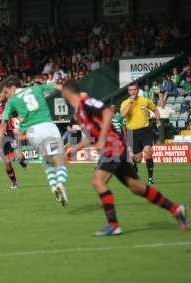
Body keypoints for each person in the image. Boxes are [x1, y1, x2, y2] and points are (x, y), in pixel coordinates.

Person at [62, 80, 187, 236]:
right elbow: (88, 137)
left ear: (67, 93)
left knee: (98, 181)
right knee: (138, 188)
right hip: (111, 147)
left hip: (113, 145)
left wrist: (101, 139)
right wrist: (74, 148)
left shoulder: (85, 102)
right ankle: (176, 209)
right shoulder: (78, 113)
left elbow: (107, 112)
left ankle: (113, 225)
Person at [0, 76, 69, 206]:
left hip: (32, 133)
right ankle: (60, 183)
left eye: (6, 92)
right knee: (60, 159)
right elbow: (58, 87)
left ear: (12, 87)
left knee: (47, 160)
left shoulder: (12, 101)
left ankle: (53, 186)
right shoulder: (36, 88)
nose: (6, 95)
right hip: (48, 126)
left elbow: (2, 125)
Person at [120, 83, 161, 184]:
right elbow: (123, 114)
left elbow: (155, 110)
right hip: (131, 132)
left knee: (148, 152)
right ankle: (135, 170)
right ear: (128, 92)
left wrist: (158, 120)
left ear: (138, 90)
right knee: (136, 159)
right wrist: (130, 103)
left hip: (145, 130)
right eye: (131, 90)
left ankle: (151, 178)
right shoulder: (125, 103)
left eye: (134, 90)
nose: (133, 92)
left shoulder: (145, 100)